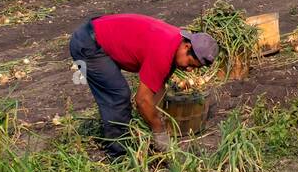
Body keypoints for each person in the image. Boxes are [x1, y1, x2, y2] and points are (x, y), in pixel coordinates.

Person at [68, 13, 217, 154]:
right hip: (89, 44)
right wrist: (159, 131)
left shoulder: (176, 43)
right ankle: (119, 152)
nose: (189, 70)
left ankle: (125, 134)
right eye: (191, 64)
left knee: (124, 97)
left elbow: (157, 86)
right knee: (118, 95)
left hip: (99, 35)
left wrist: (155, 115)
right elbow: (142, 100)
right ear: (187, 47)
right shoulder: (163, 51)